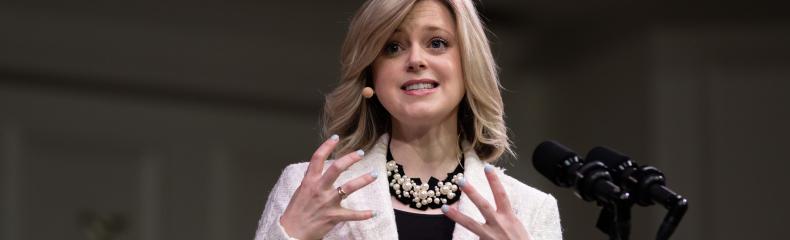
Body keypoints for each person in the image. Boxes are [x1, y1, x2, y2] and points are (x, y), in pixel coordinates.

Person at [254, 0, 562, 239]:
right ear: (370, 74)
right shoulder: (309, 187)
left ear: (469, 65)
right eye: (393, 47)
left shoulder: (531, 209)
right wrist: (292, 235)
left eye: (437, 43)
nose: (415, 59)